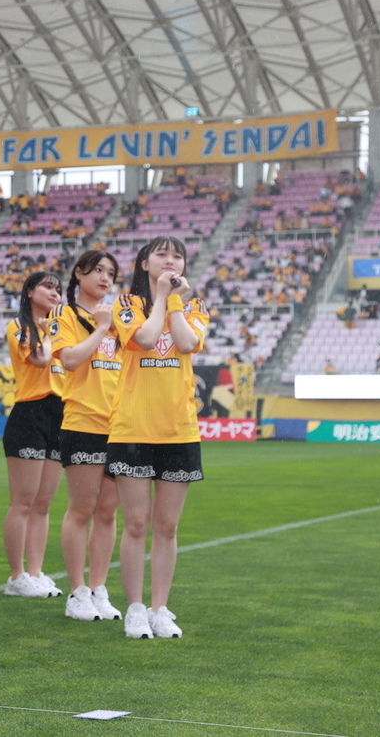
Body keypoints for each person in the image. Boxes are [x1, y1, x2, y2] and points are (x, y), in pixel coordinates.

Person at [108, 236, 208, 639]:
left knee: (167, 527)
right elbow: (146, 339)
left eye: (177, 256)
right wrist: (162, 299)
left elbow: (186, 343)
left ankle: (160, 608)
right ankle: (135, 608)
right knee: (135, 523)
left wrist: (175, 301)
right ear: (145, 263)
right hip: (133, 427)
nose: (170, 261)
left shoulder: (195, 306)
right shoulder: (127, 304)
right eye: (162, 254)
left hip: (179, 430)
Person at [49, 250, 123, 622]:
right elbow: (70, 360)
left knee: (108, 512)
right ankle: (77, 591)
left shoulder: (121, 320)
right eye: (97, 270)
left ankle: (98, 588)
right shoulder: (63, 314)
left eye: (111, 273)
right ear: (78, 274)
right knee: (81, 509)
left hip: (120, 426)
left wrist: (110, 324)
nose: (105, 278)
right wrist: (100, 328)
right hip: (82, 423)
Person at [2, 270, 66, 598]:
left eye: (58, 289)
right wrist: (51, 331)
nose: (55, 293)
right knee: (23, 502)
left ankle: (36, 572)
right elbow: (40, 359)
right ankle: (17, 576)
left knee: (43, 503)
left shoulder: (61, 328)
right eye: (47, 287)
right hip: (30, 414)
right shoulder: (19, 325)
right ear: (30, 291)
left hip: (60, 413)